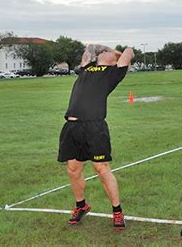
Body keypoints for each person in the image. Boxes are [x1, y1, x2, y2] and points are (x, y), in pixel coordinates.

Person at [58, 44, 134, 230]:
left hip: (95, 127)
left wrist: (112, 51)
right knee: (73, 169)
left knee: (101, 169)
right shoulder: (86, 67)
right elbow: (88, 50)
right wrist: (100, 50)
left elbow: (129, 52)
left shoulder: (113, 73)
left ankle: (117, 212)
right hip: (72, 126)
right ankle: (81, 206)